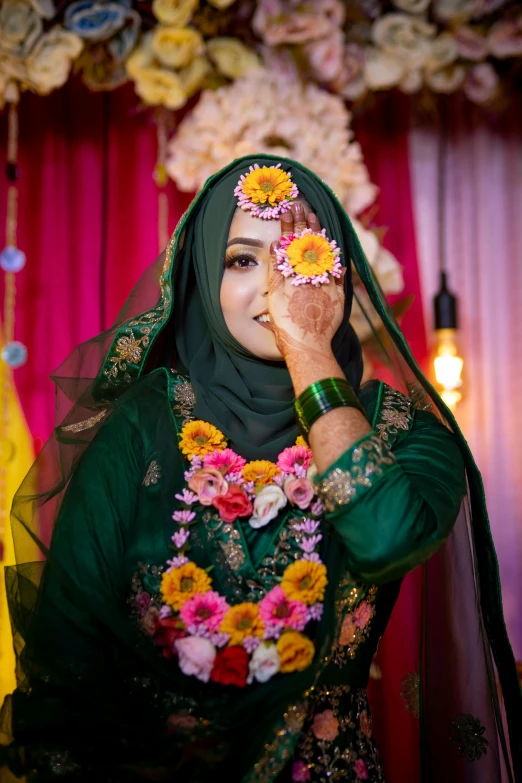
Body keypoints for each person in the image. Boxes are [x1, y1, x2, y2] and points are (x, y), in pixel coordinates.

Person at [0, 155, 520, 783]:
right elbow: (67, 658)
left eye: (299, 254)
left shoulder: (405, 431)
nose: (277, 285)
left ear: (340, 274)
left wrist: (307, 349)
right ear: (203, 281)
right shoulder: (142, 428)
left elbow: (387, 538)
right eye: (243, 260)